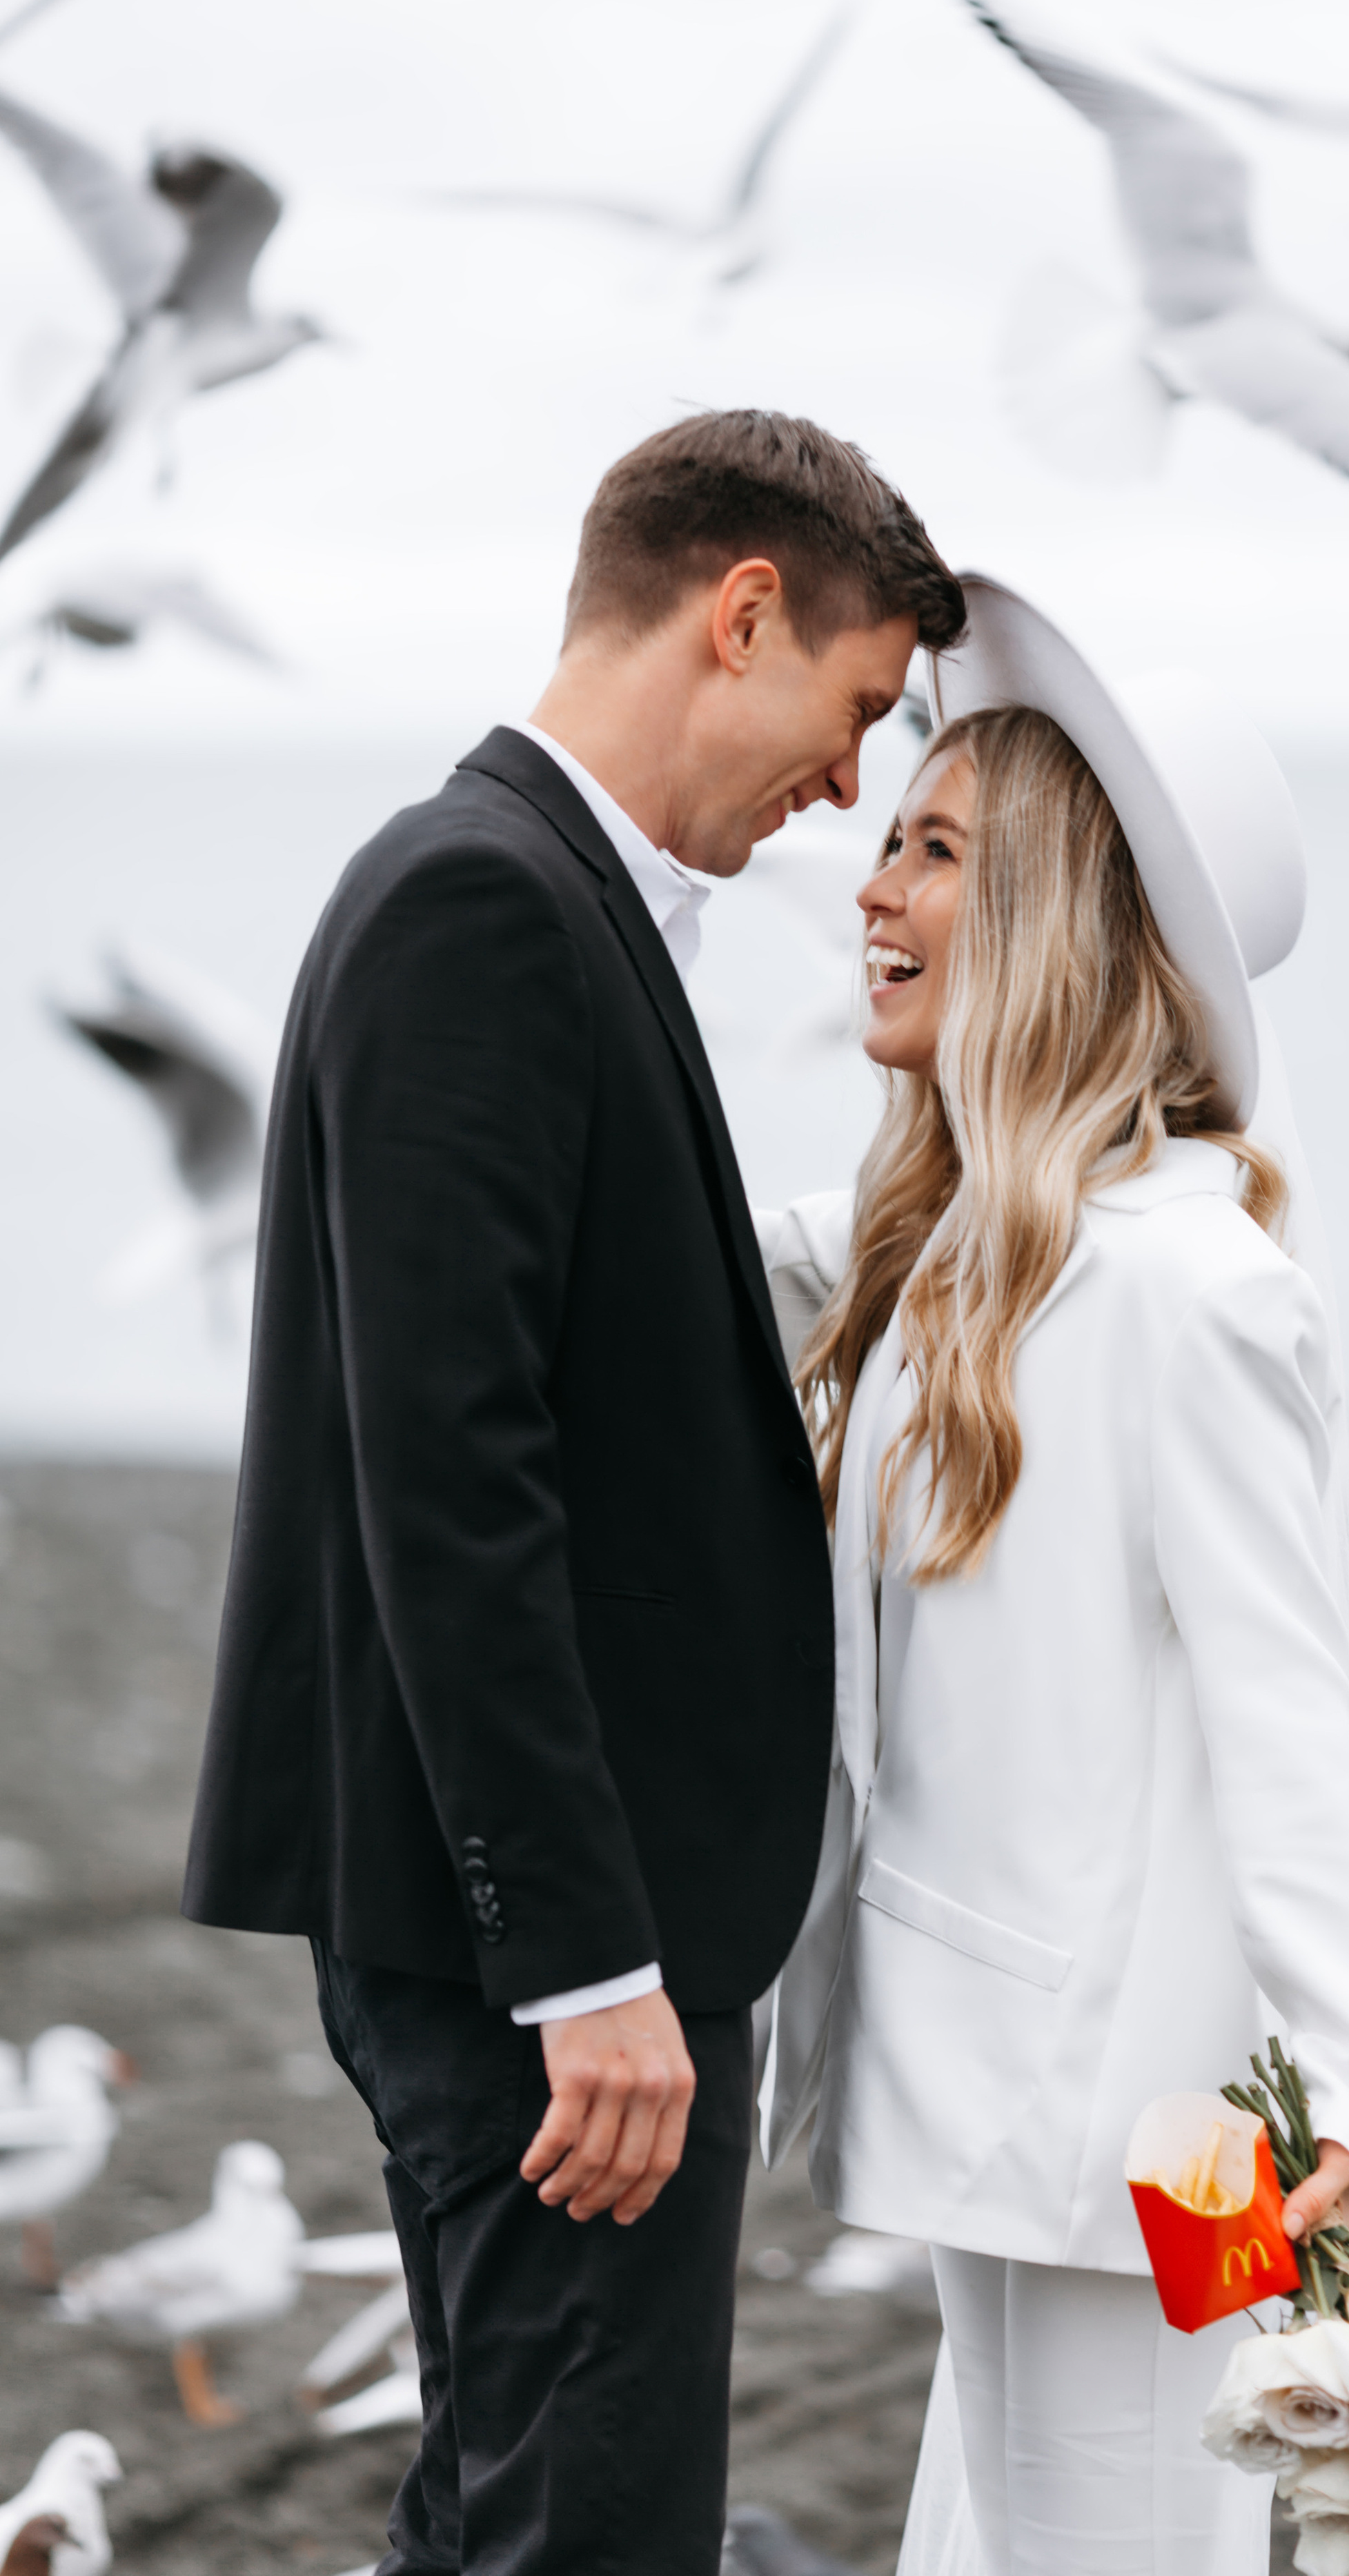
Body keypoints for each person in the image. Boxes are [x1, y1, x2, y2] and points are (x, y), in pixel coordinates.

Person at [180, 411, 967, 2575]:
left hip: (524, 1922)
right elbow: (452, 1473)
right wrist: (587, 1964)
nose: (846, 787)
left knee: (511, 2506)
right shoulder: (483, 901)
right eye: (856, 708)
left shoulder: (532, 891)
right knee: (591, 2532)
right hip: (540, 1941)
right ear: (740, 615)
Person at [756, 580, 1349, 2576]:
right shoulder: (958, 1246)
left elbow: (1291, 1716)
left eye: (938, 848)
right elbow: (682, 1220)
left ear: (1054, 910)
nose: (871, 882)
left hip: (1173, 2142)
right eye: (888, 834)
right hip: (998, 2086)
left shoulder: (1191, 1289)